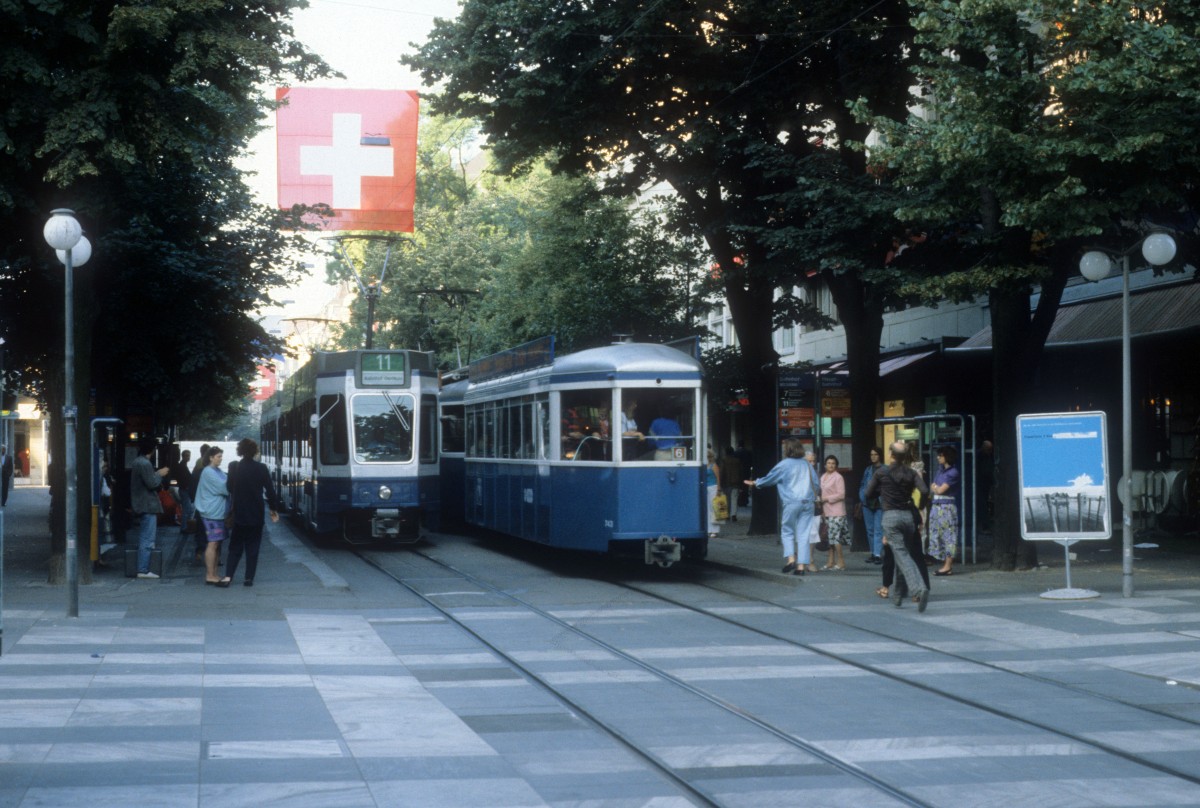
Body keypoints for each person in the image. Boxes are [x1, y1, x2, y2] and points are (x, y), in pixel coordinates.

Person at [865, 441, 930, 611]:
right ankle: (899, 595)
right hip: (908, 517)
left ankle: (919, 588)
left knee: (901, 555)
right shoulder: (911, 473)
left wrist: (881, 493)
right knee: (903, 552)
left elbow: (867, 494)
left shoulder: (881, 472)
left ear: (890, 453)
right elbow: (924, 491)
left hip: (890, 516)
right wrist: (921, 506)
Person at [745, 437, 818, 576]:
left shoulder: (784, 464)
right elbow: (816, 483)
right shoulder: (807, 464)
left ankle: (791, 559)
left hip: (791, 502)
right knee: (803, 534)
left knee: (787, 530)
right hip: (808, 503)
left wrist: (756, 483)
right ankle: (801, 567)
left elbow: (770, 479)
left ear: (787, 449)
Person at [225, 437, 283, 587]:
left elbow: (229, 488)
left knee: (235, 546)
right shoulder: (261, 468)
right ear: (254, 451)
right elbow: (270, 490)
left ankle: (228, 576)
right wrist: (273, 508)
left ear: (240, 451)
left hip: (239, 512)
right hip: (256, 513)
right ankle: (248, 578)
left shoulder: (234, 467)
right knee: (253, 546)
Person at [129, 438, 169, 579]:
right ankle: (143, 569)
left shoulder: (137, 462)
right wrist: (160, 473)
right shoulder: (145, 463)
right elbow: (152, 483)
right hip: (147, 505)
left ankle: (143, 568)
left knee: (145, 537)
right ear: (152, 450)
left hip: (141, 504)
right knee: (147, 538)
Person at [193, 445, 231, 586]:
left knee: (217, 543)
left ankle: (214, 573)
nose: (221, 459)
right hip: (212, 512)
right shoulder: (209, 472)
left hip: (217, 512)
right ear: (211, 457)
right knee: (213, 542)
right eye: (218, 456)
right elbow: (224, 488)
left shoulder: (216, 470)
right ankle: (210, 575)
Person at [928, 446, 960, 576]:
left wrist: (935, 488)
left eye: (940, 455)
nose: (938, 457)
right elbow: (934, 487)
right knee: (938, 534)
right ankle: (945, 563)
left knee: (949, 536)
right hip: (937, 506)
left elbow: (940, 490)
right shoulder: (940, 471)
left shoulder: (953, 472)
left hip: (946, 507)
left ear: (947, 457)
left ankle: (948, 565)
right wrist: (936, 488)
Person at [819, 455, 849, 570]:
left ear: (836, 465)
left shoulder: (838, 477)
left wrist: (826, 499)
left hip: (837, 511)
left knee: (835, 538)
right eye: (829, 463)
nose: (831, 465)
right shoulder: (823, 477)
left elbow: (841, 495)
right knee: (829, 538)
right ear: (825, 465)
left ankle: (841, 562)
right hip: (826, 511)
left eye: (833, 463)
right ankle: (830, 562)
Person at [859, 447, 884, 564]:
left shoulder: (885, 469)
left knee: (878, 529)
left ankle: (878, 554)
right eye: (871, 454)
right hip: (867, 502)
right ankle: (873, 553)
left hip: (880, 501)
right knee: (870, 529)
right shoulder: (868, 469)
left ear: (880, 455)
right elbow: (863, 484)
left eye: (875, 454)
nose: (873, 456)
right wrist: (862, 496)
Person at [188, 443, 210, 560]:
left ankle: (199, 551)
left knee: (200, 529)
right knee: (214, 530)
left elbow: (191, 489)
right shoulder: (216, 473)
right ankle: (215, 556)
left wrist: (194, 500)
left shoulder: (197, 472)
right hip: (213, 507)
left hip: (200, 506)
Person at [172, 449, 194, 534]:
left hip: (184, 489)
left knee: (187, 508)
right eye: (187, 455)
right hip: (184, 489)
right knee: (186, 509)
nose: (188, 457)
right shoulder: (182, 466)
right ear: (183, 456)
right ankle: (184, 527)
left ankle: (185, 526)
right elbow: (185, 478)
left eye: (189, 455)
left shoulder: (182, 465)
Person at [720, 446, 743, 522]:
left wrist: (720, 482)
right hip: (735, 482)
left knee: (726, 499)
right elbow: (740, 472)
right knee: (734, 499)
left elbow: (722, 472)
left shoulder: (724, 460)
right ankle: (734, 515)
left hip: (726, 482)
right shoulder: (737, 461)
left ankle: (727, 515)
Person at [705, 448, 722, 538]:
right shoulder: (705, 465)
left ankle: (715, 530)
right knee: (708, 509)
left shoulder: (714, 466)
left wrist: (718, 489)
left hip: (713, 487)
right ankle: (709, 529)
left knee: (714, 509)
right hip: (706, 488)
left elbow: (718, 478)